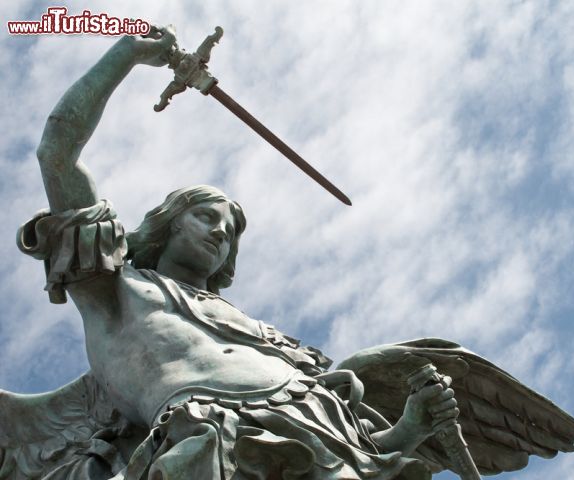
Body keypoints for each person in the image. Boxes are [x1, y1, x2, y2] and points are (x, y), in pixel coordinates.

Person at [21, 28, 459, 479]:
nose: (220, 234)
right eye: (207, 219)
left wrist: (410, 428)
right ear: (170, 223)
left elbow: (350, 449)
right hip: (206, 447)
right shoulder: (114, 288)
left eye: (229, 233)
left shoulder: (269, 342)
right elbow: (56, 154)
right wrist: (127, 52)